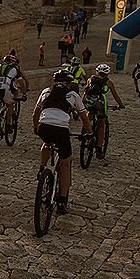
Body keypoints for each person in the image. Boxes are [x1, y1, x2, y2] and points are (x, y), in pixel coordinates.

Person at [32, 70, 93, 215]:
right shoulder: (73, 95)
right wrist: (89, 134)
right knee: (66, 163)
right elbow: (84, 118)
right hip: (61, 130)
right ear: (69, 83)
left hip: (44, 126)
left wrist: (36, 128)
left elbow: (35, 113)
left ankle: (42, 168)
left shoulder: (46, 92)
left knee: (47, 142)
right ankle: (62, 201)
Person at [82, 64, 124, 158]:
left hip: (89, 101)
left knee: (90, 114)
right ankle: (99, 149)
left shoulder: (90, 79)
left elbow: (85, 92)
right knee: (101, 125)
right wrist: (120, 105)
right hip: (100, 103)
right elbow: (115, 96)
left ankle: (85, 131)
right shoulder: (108, 82)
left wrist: (82, 103)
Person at [0, 53, 28, 130]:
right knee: (10, 105)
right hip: (5, 87)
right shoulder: (15, 69)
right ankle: (8, 125)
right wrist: (24, 93)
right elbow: (22, 83)